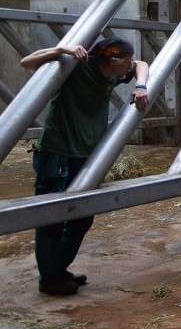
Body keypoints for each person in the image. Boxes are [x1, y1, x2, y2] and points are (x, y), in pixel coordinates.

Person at [20, 38, 150, 295]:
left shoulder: (113, 75)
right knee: (52, 218)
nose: (129, 65)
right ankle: (49, 278)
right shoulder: (75, 67)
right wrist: (60, 50)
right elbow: (27, 62)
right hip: (57, 152)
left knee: (82, 216)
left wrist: (141, 85)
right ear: (112, 60)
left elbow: (142, 64)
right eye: (125, 60)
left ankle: (58, 268)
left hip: (86, 155)